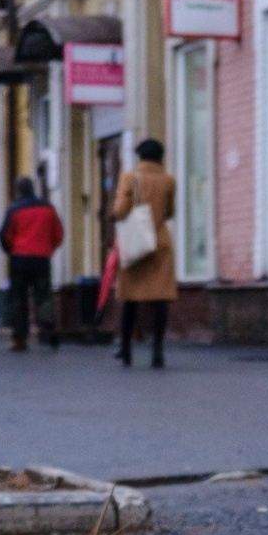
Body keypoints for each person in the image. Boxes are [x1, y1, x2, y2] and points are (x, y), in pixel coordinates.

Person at [111, 138, 178, 368]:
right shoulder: (169, 180)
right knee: (160, 300)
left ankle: (126, 348)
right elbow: (170, 213)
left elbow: (120, 210)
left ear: (140, 157)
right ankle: (158, 350)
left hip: (136, 241)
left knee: (130, 299)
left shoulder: (130, 177)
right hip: (160, 242)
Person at [0, 176, 66, 350]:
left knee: (18, 298)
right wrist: (48, 249)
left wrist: (11, 251)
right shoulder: (48, 208)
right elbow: (58, 234)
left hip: (19, 259)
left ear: (18, 191)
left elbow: (5, 236)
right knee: (43, 295)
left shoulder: (14, 210)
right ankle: (49, 326)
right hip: (41, 258)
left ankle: (20, 339)